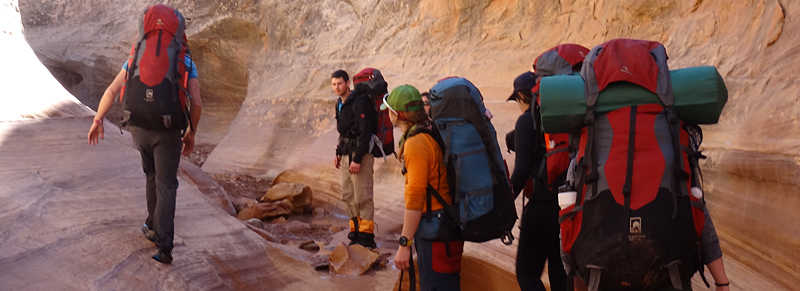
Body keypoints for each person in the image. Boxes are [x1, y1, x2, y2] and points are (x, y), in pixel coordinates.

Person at [87, 4, 202, 265]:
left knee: (151, 176)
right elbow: (197, 103)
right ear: (180, 31)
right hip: (169, 129)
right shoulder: (184, 59)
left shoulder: (136, 56)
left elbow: (112, 90)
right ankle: (165, 246)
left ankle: (152, 225)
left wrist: (98, 119)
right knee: (167, 184)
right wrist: (192, 132)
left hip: (139, 126)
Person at [386, 85, 463, 291]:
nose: (387, 114)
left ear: (398, 114)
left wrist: (404, 244)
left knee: (436, 286)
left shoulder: (416, 143)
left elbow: (416, 197)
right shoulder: (427, 130)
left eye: (389, 109)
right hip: (444, 224)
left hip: (436, 226)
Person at [507, 71, 567, 291]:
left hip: (542, 206)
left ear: (523, 96)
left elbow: (521, 171)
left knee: (527, 273)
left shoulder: (526, 121)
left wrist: (506, 201)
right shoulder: (565, 117)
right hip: (570, 204)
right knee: (560, 272)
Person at [333, 69, 378, 248]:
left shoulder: (360, 102)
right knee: (348, 194)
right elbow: (343, 133)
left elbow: (365, 132)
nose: (337, 87)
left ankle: (367, 237)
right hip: (346, 154)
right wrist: (338, 153)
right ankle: (355, 231)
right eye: (334, 84)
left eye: (340, 83)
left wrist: (358, 159)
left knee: (363, 195)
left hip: (361, 155)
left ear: (348, 83)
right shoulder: (339, 103)